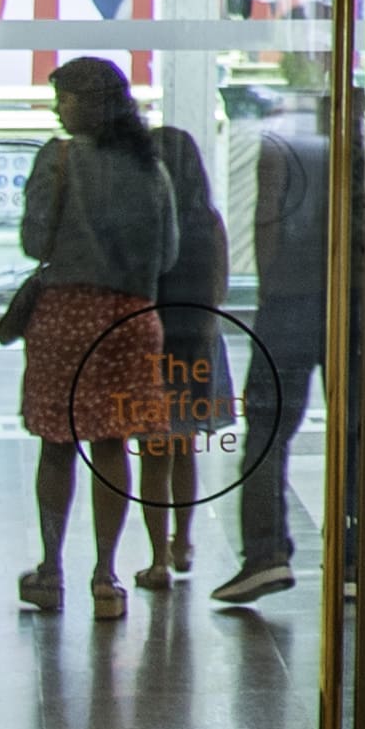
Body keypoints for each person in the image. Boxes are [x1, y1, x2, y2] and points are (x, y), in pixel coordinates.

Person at [11, 57, 176, 622]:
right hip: (133, 318)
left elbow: (35, 242)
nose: (60, 108)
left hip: (66, 314)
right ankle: (106, 576)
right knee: (112, 444)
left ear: (91, 102)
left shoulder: (57, 160)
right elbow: (171, 251)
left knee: (57, 444)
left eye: (67, 98)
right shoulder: (151, 168)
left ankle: (51, 569)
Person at [214, 94, 327, 607]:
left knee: (265, 429)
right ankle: (353, 554)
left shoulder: (278, 146)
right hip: (357, 301)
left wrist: (270, 290)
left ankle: (265, 555)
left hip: (289, 301)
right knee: (359, 428)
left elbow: (268, 221)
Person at [128, 96, 235, 593]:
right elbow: (219, 284)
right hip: (198, 344)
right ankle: (183, 540)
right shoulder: (209, 219)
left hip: (154, 343)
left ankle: (157, 557)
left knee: (155, 452)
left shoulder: (148, 218)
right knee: (184, 448)